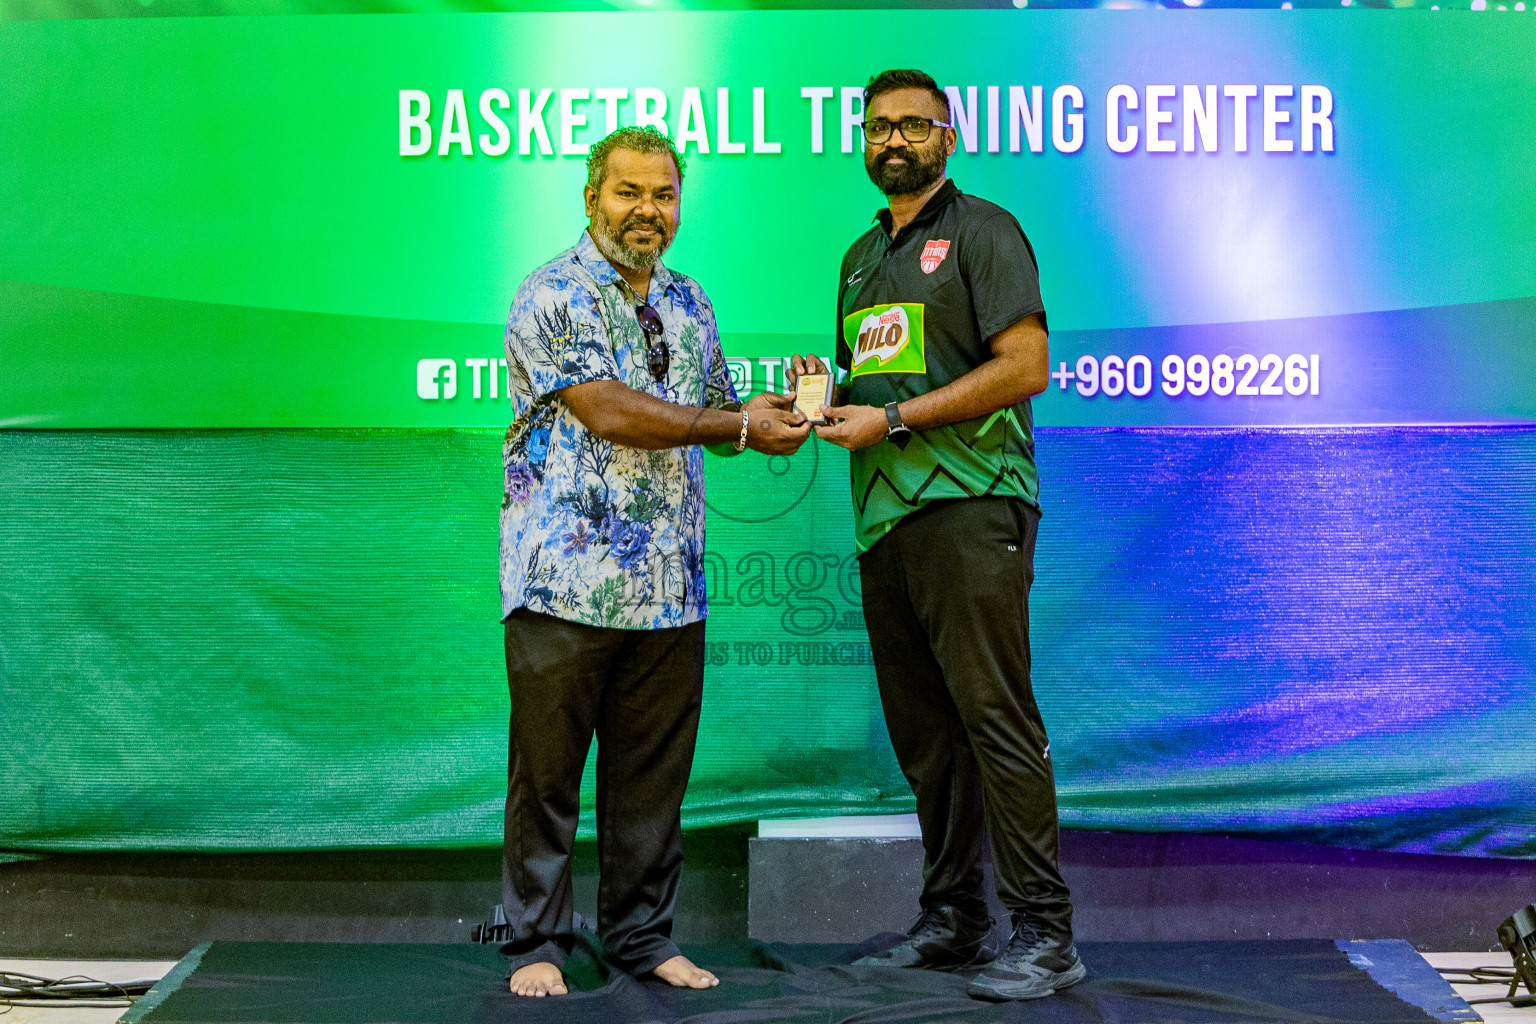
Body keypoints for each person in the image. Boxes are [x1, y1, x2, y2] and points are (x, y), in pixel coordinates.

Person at [498, 125, 811, 998]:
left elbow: (717, 410)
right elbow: (611, 412)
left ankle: (641, 938)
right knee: (548, 782)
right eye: (629, 192)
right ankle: (534, 945)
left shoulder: (690, 299)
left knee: (650, 786)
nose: (648, 211)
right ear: (593, 196)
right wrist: (734, 424)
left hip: (670, 592)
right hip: (562, 584)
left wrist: (773, 414)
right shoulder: (551, 293)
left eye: (663, 195)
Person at [793, 69, 1083, 1002]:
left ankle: (1045, 931)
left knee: (994, 719)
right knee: (927, 738)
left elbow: (1026, 365)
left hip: (972, 503)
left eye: (914, 126)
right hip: (886, 519)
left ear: (946, 138)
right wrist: (822, 403)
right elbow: (873, 394)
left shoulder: (984, 231)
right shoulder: (855, 259)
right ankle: (955, 919)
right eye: (879, 126)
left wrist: (900, 420)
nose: (894, 140)